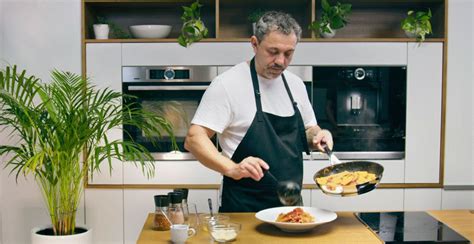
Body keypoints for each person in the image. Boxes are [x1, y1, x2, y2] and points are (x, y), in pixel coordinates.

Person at [184, 11, 333, 212]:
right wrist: (232, 168)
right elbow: (194, 139)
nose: (281, 61)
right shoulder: (228, 84)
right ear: (254, 44)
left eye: (288, 53)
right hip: (244, 209)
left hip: (291, 210)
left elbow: (308, 130)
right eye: (273, 51)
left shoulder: (295, 85)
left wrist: (319, 135)